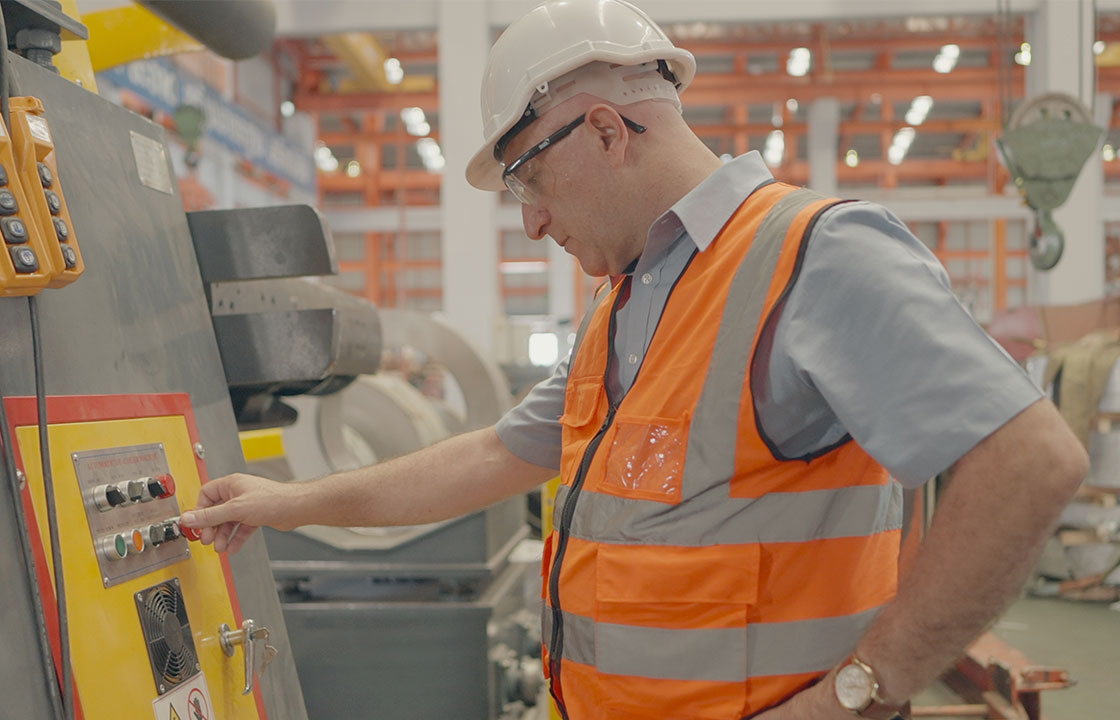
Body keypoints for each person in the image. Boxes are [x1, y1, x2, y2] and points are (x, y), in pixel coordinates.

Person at [181, 1, 1088, 718]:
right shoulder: (628, 300)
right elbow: (496, 453)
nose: (530, 220)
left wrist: (857, 693)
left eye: (527, 180)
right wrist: (288, 503)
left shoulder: (817, 255)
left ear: (608, 131)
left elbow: (1030, 461)